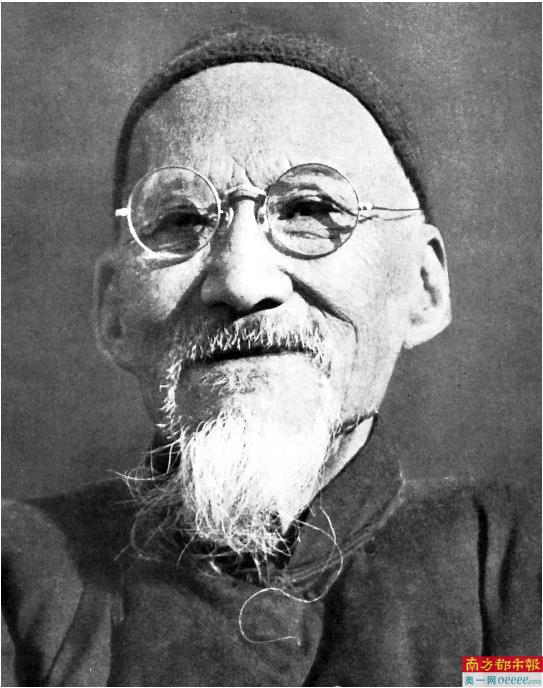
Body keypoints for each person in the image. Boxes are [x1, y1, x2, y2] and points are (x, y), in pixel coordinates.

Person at [2, 27, 540, 687]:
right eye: (181, 221)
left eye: (311, 208)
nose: (241, 281)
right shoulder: (17, 578)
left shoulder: (512, 565)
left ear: (423, 288)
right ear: (112, 311)